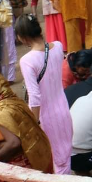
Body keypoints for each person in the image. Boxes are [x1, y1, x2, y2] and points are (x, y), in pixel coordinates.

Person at [15, 13, 73, 173]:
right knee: (65, 158)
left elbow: (34, 97)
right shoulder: (59, 46)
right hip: (63, 111)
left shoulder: (27, 61)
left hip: (46, 118)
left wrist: (33, 124)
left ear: (22, 37)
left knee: (54, 163)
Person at [0, 73, 55, 175]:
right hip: (35, 158)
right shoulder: (15, 102)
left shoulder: (0, 112)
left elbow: (13, 143)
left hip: (20, 169)